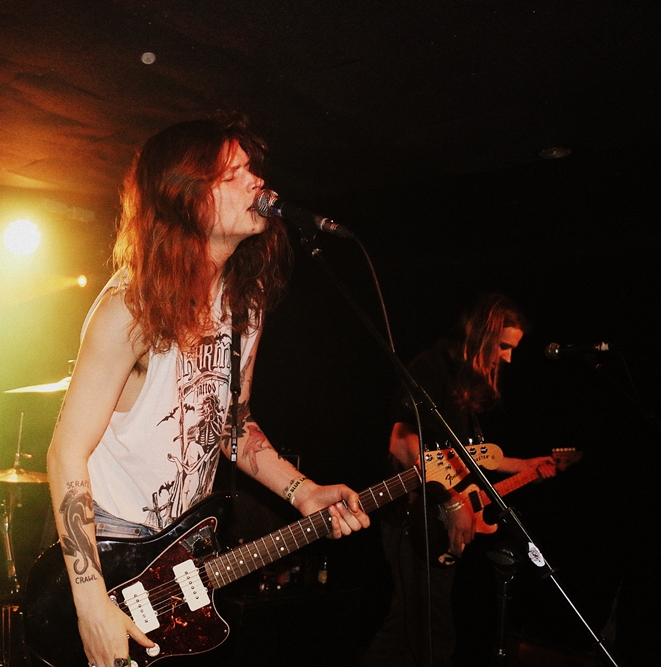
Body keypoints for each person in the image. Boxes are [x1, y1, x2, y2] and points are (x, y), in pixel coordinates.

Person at [46, 112, 370, 667]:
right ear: (186, 198)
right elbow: (65, 451)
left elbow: (232, 425)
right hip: (113, 550)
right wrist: (90, 601)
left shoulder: (245, 305)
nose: (257, 182)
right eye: (232, 174)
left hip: (182, 549)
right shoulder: (130, 307)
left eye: (252, 170)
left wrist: (302, 492)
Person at [362, 293, 557, 667]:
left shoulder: (463, 386)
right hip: (413, 517)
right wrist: (451, 501)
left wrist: (527, 466)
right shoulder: (433, 368)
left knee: (408, 632)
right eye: (503, 346)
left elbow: (468, 459)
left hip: (433, 522)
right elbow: (401, 442)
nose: (507, 358)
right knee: (431, 634)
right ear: (483, 335)